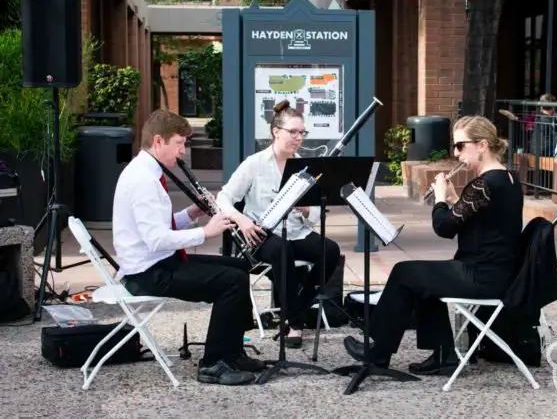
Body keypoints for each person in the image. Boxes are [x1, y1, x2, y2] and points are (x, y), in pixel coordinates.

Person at [343, 115, 524, 375]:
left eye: (461, 145)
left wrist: (439, 200)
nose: (456, 152)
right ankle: (443, 355)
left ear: (482, 145)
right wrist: (454, 199)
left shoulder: (484, 183)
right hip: (496, 270)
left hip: (482, 275)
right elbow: (481, 221)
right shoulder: (508, 179)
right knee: (423, 278)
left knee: (405, 273)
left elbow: (445, 227)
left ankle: (379, 350)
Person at [112, 109, 264, 386]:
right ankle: (213, 364)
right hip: (148, 274)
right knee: (231, 282)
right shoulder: (142, 180)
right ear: (158, 141)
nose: (182, 152)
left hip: (160, 262)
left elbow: (162, 227)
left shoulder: (147, 172)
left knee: (241, 267)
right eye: (179, 144)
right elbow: (156, 240)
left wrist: (193, 213)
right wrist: (205, 232)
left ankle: (232, 352)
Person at [216, 100, 342, 349]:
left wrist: (307, 209)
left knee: (331, 251)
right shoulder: (254, 163)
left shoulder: (305, 166)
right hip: (261, 232)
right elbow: (224, 197)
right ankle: (296, 322)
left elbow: (315, 213)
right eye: (292, 132)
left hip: (296, 230)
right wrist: (241, 220)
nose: (298, 138)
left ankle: (298, 309)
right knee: (281, 250)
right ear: (276, 132)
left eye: (301, 133)